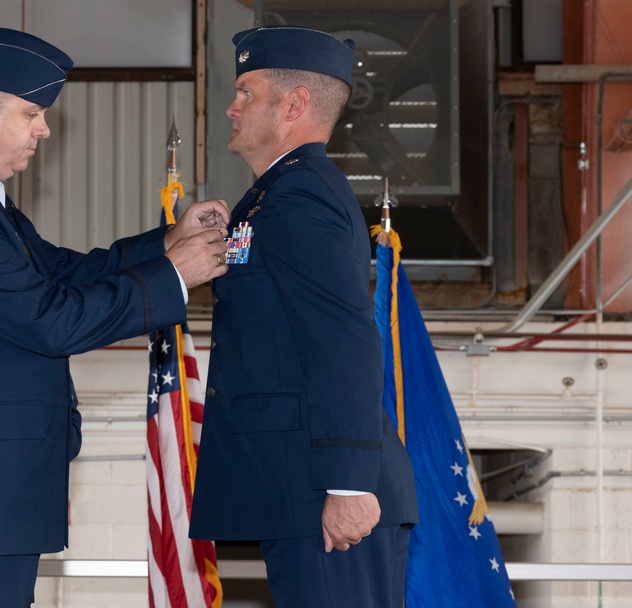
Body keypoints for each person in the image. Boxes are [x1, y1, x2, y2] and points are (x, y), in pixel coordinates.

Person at [0, 26, 229, 607]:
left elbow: (59, 272)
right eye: (32, 112)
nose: (44, 129)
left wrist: (168, 243)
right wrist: (175, 276)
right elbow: (50, 319)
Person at [188, 25, 419, 607]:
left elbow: (343, 340)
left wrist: (348, 482)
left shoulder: (301, 195)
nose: (230, 108)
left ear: (294, 105)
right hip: (300, 488)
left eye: (247, 92)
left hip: (327, 491)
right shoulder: (273, 195)